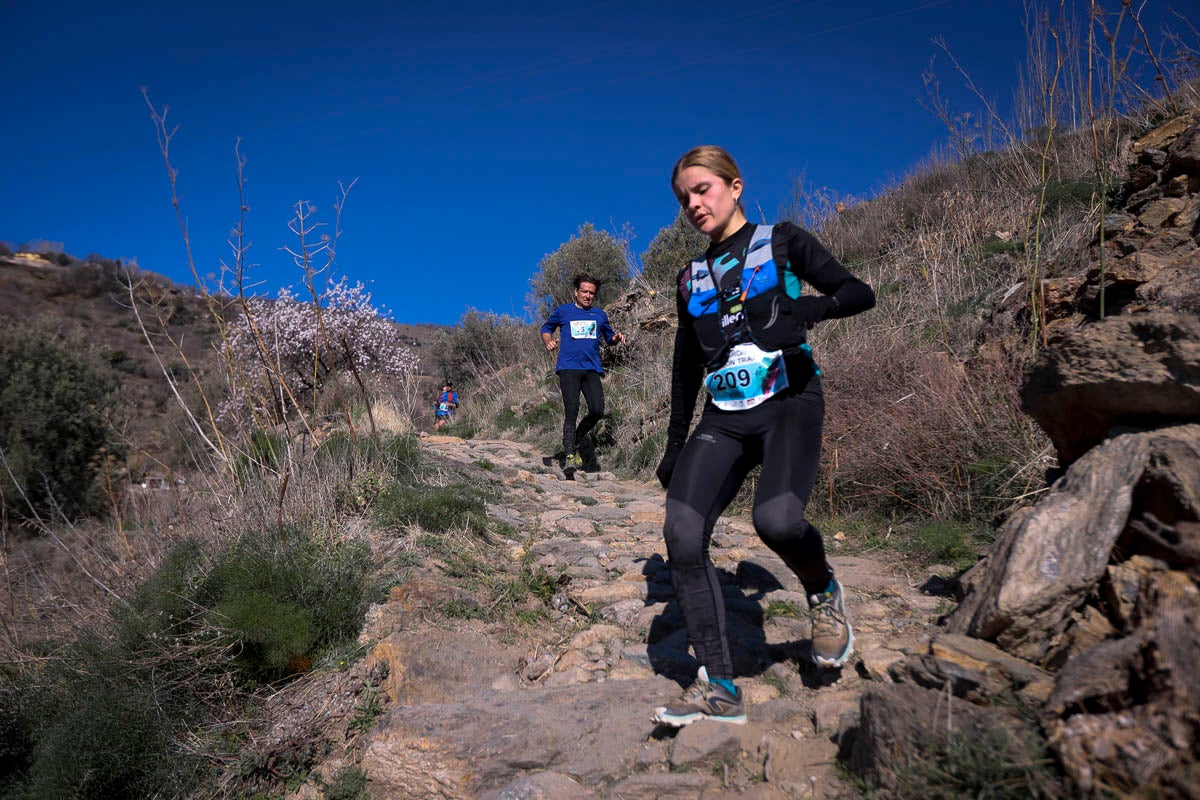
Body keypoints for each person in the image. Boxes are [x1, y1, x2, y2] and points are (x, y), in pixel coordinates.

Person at [651, 146, 875, 727]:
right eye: (684, 198)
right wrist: (675, 444)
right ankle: (720, 686)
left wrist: (803, 310)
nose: (693, 204)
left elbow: (858, 292)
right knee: (681, 530)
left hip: (790, 400)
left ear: (735, 185)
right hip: (722, 413)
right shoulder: (689, 277)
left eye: (702, 189)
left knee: (776, 522)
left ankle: (822, 591)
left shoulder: (782, 241)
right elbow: (683, 368)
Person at [540, 274, 626, 474]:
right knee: (572, 409)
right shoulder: (564, 311)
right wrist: (548, 341)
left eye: (591, 293)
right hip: (569, 368)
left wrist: (616, 337)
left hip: (592, 369)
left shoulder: (599, 315)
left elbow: (609, 337)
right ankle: (569, 456)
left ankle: (576, 439)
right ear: (576, 292)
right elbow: (546, 328)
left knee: (597, 410)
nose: (588, 295)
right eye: (584, 291)